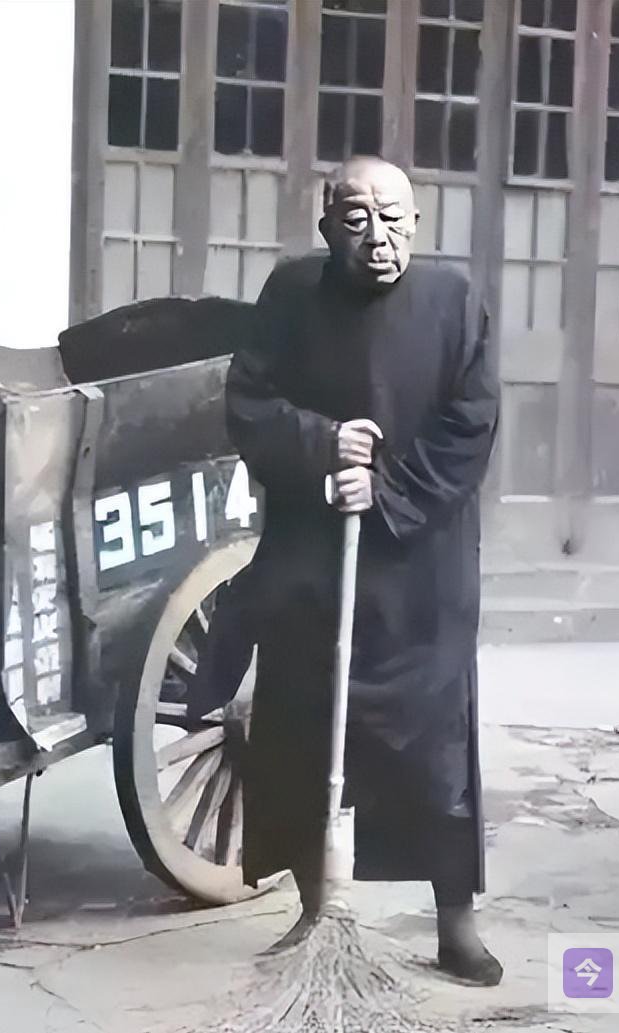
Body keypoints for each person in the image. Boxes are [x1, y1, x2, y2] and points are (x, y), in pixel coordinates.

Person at [224, 156, 501, 986]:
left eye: (392, 219)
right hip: (314, 557)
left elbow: (472, 421)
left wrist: (385, 489)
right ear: (326, 228)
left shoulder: (455, 302)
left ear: (416, 223)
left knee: (435, 750)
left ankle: (456, 924)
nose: (377, 238)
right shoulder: (290, 295)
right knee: (305, 736)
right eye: (356, 220)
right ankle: (317, 914)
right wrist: (322, 445)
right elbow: (248, 400)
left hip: (422, 566)